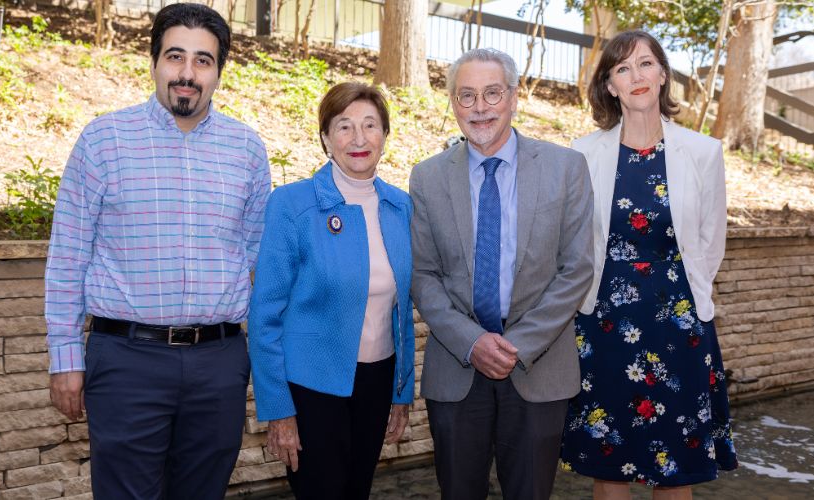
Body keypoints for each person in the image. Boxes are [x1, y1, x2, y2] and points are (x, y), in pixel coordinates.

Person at [44, 4, 271, 498]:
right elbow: (67, 256)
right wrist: (65, 358)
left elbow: (258, 262)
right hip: (127, 361)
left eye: (203, 61)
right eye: (175, 57)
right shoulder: (104, 141)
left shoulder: (248, 151)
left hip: (219, 363)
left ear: (219, 71)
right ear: (153, 61)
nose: (187, 74)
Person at [559, 30, 738, 499]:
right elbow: (575, 243)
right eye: (622, 68)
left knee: (676, 468)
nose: (635, 75)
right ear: (610, 86)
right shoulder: (582, 154)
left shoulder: (703, 152)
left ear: (662, 74)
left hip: (679, 327)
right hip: (605, 326)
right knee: (610, 466)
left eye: (644, 64)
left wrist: (690, 300)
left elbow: (709, 244)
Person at [410, 48, 595, 500]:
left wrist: (518, 346)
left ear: (514, 97)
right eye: (466, 95)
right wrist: (472, 342)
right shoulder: (427, 177)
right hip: (457, 368)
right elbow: (422, 274)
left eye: (492, 93)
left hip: (539, 367)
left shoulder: (565, 168)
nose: (479, 108)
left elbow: (577, 269)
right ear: (453, 102)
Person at [248, 82, 415, 500]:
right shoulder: (291, 205)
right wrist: (279, 408)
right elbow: (265, 315)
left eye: (370, 125)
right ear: (325, 138)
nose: (359, 139)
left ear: (385, 135)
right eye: (344, 127)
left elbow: (403, 307)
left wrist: (401, 391)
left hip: (377, 382)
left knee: (357, 492)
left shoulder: (401, 207)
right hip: (311, 389)